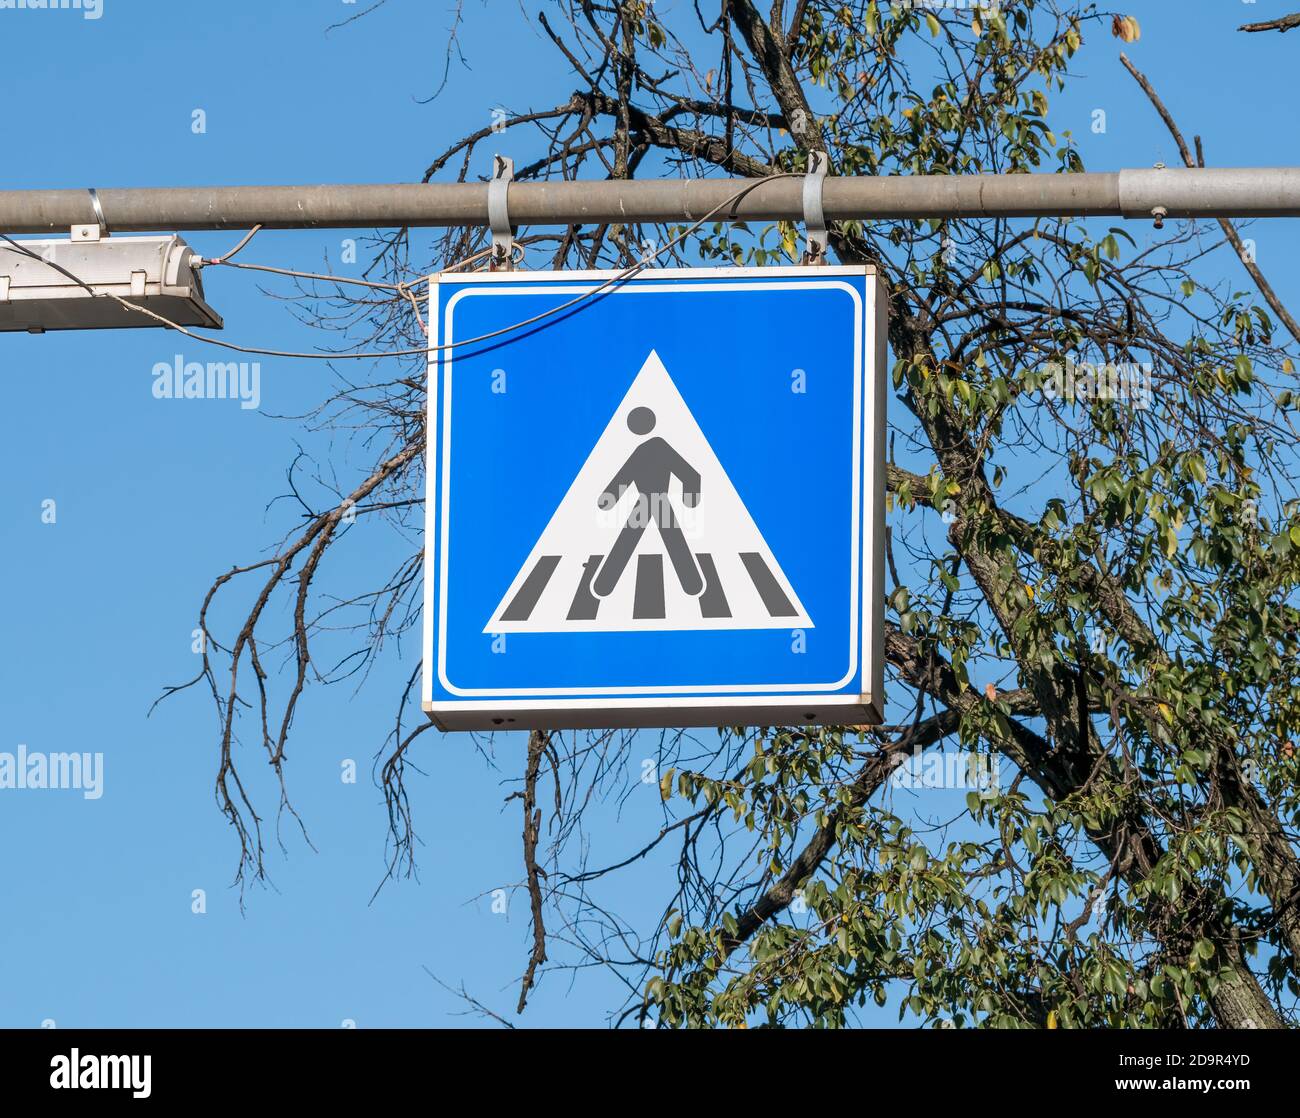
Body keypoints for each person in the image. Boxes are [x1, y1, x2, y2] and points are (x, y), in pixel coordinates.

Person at [593, 406, 703, 597]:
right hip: (650, 502)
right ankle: (603, 585)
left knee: (636, 541)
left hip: (655, 502)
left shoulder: (654, 447)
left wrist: (691, 498)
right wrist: (607, 500)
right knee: (644, 540)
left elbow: (690, 474)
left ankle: (604, 585)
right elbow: (625, 477)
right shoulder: (647, 449)